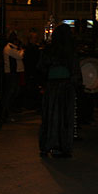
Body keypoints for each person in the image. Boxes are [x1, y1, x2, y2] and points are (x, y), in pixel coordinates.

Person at [37, 24, 81, 158]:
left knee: (50, 115)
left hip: (51, 86)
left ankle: (47, 145)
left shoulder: (49, 49)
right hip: (65, 86)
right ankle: (61, 146)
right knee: (64, 117)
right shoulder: (70, 50)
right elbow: (75, 69)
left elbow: (41, 67)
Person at [2, 31, 25, 121]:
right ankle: (6, 110)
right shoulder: (10, 48)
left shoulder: (11, 48)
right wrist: (22, 50)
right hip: (11, 72)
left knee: (13, 91)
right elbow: (19, 56)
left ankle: (8, 109)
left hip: (13, 72)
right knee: (11, 92)